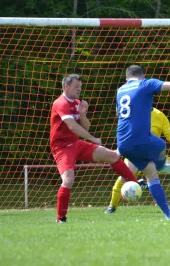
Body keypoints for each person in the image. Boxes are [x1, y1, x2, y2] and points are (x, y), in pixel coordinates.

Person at [115, 65, 170, 220]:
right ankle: (161, 164)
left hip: (122, 143)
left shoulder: (120, 90)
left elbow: (118, 114)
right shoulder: (146, 84)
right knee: (161, 145)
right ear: (143, 76)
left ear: (126, 79)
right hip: (141, 138)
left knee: (151, 173)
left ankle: (169, 215)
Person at [50, 74, 139, 223]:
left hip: (76, 144)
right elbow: (71, 125)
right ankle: (61, 218)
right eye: (76, 87)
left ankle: (135, 184)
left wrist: (82, 114)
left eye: (80, 87)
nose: (79, 89)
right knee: (68, 180)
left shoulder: (77, 103)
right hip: (62, 147)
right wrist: (92, 139)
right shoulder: (60, 103)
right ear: (66, 86)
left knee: (112, 156)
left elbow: (85, 126)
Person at [105, 107, 170, 214]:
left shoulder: (159, 115)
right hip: (135, 155)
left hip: (156, 156)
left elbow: (169, 136)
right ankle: (112, 207)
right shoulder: (133, 112)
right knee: (123, 178)